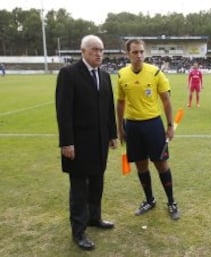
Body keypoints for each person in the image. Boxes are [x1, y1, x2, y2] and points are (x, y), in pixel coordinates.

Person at [55, 34, 117, 251]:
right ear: (83, 52)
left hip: (100, 142)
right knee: (79, 188)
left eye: (101, 50)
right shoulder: (69, 74)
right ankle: (78, 231)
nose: (99, 53)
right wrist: (67, 143)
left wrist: (112, 134)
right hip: (78, 144)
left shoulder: (106, 75)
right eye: (94, 50)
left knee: (97, 183)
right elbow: (64, 112)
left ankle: (94, 218)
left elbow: (109, 108)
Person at [116, 39, 180, 220]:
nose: (139, 56)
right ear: (128, 54)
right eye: (135, 52)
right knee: (141, 165)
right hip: (133, 126)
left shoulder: (155, 73)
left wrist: (170, 126)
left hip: (153, 124)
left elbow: (166, 101)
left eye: (142, 52)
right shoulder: (122, 75)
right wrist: (120, 127)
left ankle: (171, 201)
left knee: (161, 163)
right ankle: (149, 200)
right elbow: (120, 102)